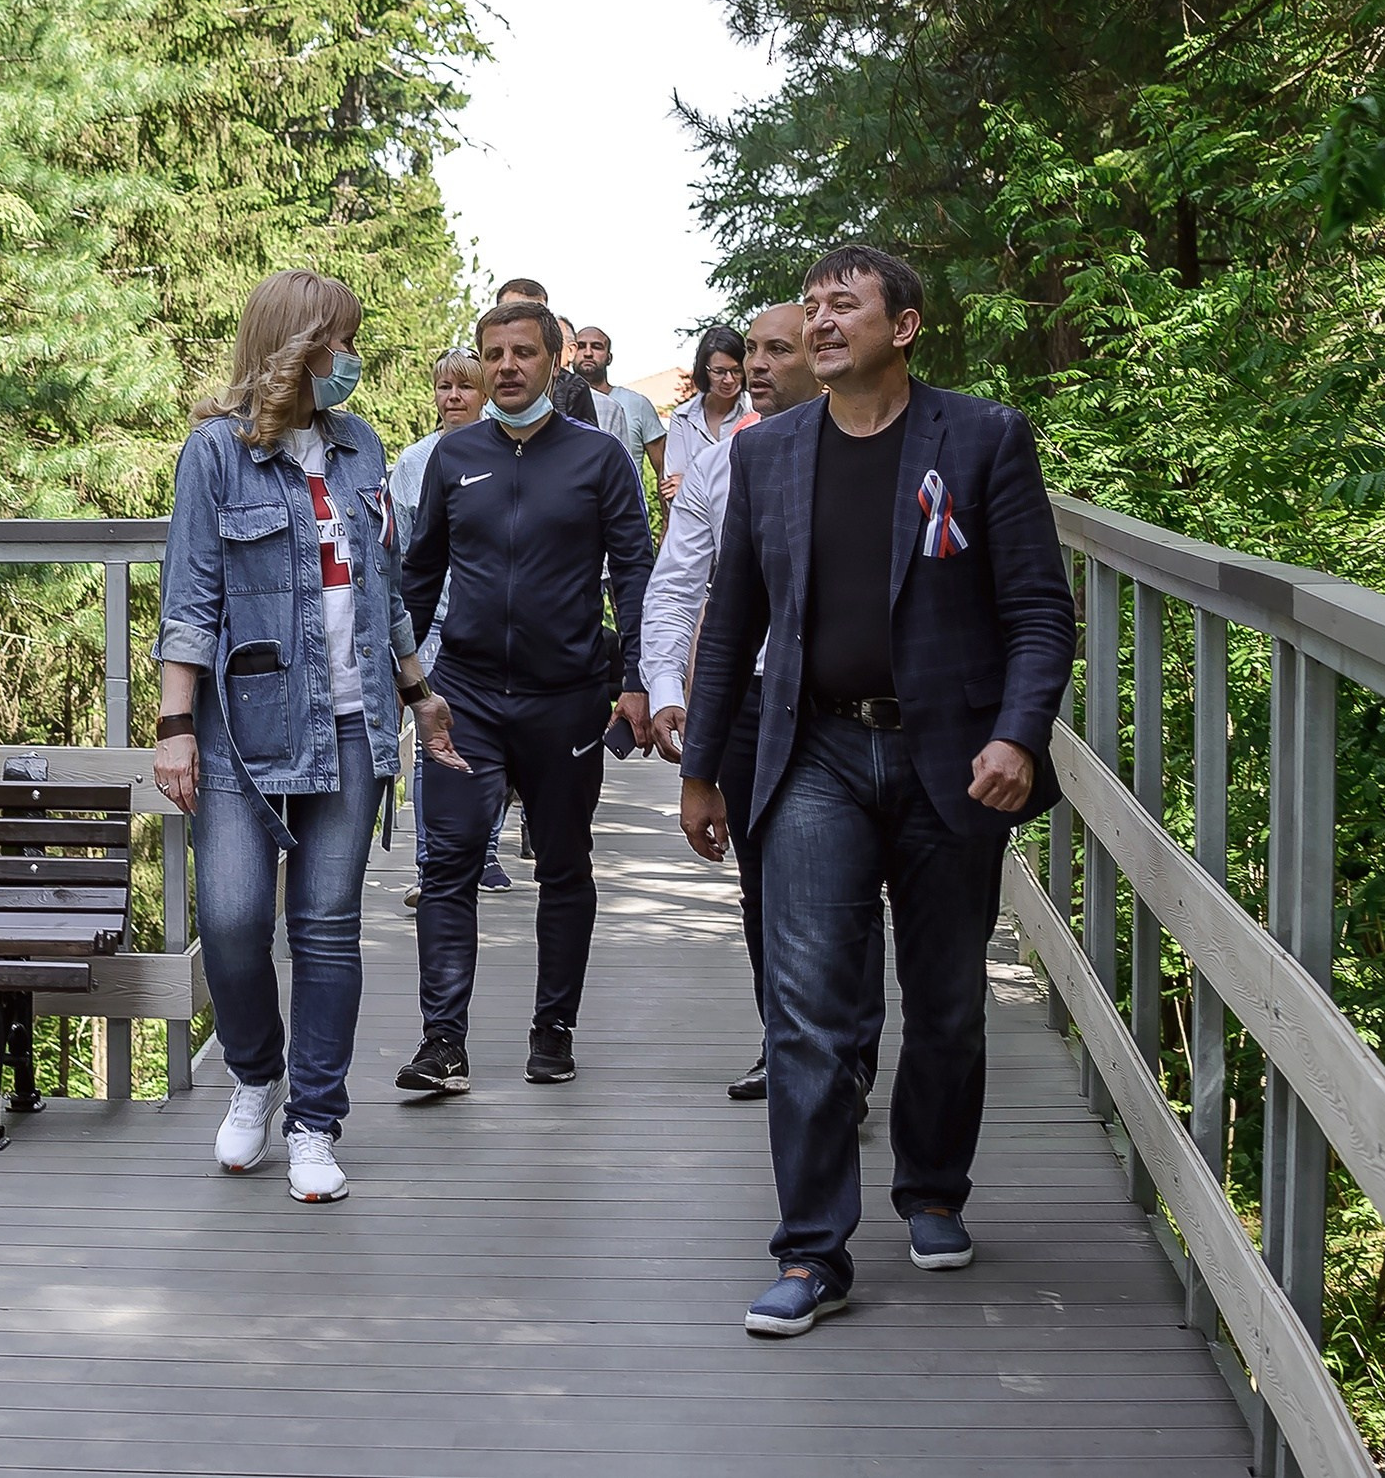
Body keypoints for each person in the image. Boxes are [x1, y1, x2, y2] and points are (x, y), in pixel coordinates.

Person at [677, 245, 1073, 1338]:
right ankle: (811, 1250)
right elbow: (732, 624)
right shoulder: (768, 454)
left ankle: (933, 1189)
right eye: (809, 305)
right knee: (806, 1007)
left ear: (901, 327)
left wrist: (1018, 734)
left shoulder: (982, 438)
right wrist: (702, 769)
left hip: (954, 757)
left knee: (945, 1000)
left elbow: (1040, 611)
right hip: (815, 752)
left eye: (841, 304)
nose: (817, 321)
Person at [154, 269, 463, 1204]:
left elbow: (386, 587)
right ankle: (256, 1074)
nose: (352, 358)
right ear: (296, 345)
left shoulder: (361, 446)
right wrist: (174, 727)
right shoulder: (214, 453)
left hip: (353, 721)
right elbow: (189, 600)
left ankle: (315, 1122)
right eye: (341, 341)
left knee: (326, 927)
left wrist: (419, 693)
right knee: (233, 922)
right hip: (242, 731)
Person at [397, 299, 655, 1093]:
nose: (507, 366)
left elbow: (634, 572)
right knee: (447, 864)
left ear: (554, 360)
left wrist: (637, 680)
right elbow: (419, 574)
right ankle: (443, 1042)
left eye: (523, 352)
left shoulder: (599, 458)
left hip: (567, 698)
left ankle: (554, 1028)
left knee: (565, 864)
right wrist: (400, 680)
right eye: (493, 354)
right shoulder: (453, 456)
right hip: (465, 697)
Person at [641, 304, 879, 1104]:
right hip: (749, 697)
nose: (757, 365)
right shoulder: (723, 465)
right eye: (751, 350)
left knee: (846, 889)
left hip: (838, 701)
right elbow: (678, 585)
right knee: (764, 885)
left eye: (779, 349)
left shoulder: (879, 452)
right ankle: (787, 1045)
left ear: (821, 356)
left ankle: (847, 1059)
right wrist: (666, 687)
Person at [389, 349, 510, 904]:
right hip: (432, 624)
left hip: (492, 621)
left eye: (465, 386)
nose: (454, 397)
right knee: (431, 741)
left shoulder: (507, 450)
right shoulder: (413, 463)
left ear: (483, 393)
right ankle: (430, 864)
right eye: (444, 387)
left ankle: (487, 850)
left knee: (495, 735)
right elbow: (398, 553)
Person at [494, 277, 629, 453]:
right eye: (512, 315)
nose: (521, 325)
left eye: (534, 316)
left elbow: (587, 456)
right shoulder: (474, 379)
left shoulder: (572, 389)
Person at [660, 323, 754, 503]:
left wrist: (690, 484)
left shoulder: (756, 411)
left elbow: (757, 483)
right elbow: (673, 489)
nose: (729, 380)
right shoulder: (683, 417)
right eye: (719, 372)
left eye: (736, 371)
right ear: (704, 370)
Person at [571, 325, 669, 493]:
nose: (588, 353)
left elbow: (663, 469)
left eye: (596, 347)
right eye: (581, 346)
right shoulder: (554, 404)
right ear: (571, 353)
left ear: (609, 358)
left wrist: (667, 509)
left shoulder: (637, 404)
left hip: (626, 504)